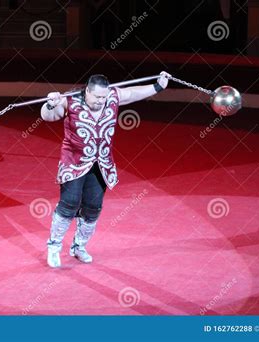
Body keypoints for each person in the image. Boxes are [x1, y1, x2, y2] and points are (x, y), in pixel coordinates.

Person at [41, 71, 170, 268]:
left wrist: (158, 86)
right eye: (97, 97)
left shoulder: (112, 97)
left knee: (93, 208)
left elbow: (133, 93)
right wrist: (50, 103)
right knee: (69, 203)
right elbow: (49, 116)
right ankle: (54, 246)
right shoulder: (70, 101)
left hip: (101, 163)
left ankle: (79, 246)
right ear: (87, 92)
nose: (101, 101)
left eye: (104, 96)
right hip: (74, 162)